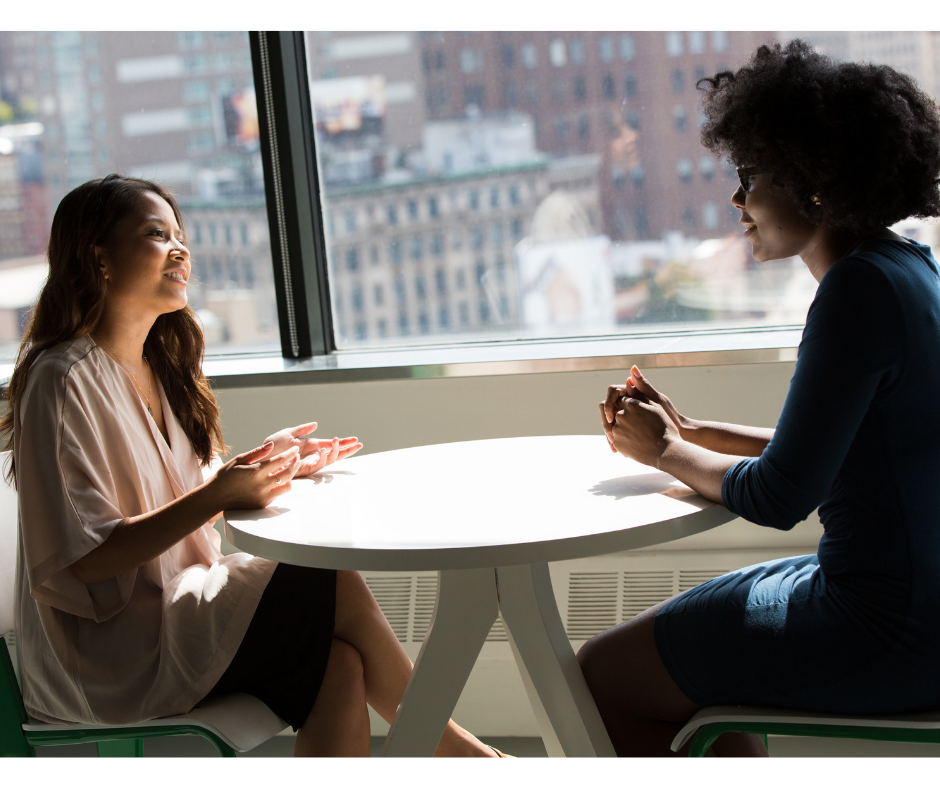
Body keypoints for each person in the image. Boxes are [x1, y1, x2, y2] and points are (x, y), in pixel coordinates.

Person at [7, 174, 504, 757]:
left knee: (338, 664)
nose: (180, 248)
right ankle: (461, 753)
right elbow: (85, 559)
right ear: (98, 259)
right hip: (108, 655)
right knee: (327, 576)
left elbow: (187, 505)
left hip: (176, 614)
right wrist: (219, 494)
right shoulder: (61, 379)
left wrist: (271, 470)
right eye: (154, 233)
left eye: (180, 233)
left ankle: (454, 751)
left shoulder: (160, 370)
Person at [577, 40, 940, 757]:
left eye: (750, 176)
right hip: (918, 605)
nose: (738, 200)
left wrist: (668, 451)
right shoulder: (907, 269)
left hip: (890, 630)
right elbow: (840, 452)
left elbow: (780, 498)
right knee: (697, 636)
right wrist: (693, 430)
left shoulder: (855, 292)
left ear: (812, 182)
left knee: (598, 674)